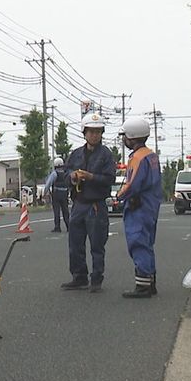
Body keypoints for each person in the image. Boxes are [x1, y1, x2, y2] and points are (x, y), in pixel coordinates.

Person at [61, 115, 116, 293]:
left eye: (98, 132)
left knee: (97, 243)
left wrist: (91, 177)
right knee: (75, 242)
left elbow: (110, 178)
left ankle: (96, 279)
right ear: (84, 133)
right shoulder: (76, 153)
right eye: (91, 131)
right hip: (78, 203)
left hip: (96, 204)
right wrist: (73, 176)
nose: (94, 135)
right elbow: (66, 173)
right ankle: (79, 277)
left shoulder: (106, 154)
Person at [113, 118, 162, 298]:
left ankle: (143, 286)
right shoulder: (151, 155)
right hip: (151, 206)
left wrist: (118, 196)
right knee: (147, 243)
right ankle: (150, 282)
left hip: (138, 207)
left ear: (132, 136)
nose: (124, 139)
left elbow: (133, 184)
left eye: (125, 136)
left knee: (138, 242)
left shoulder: (137, 158)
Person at [43, 157, 71, 232]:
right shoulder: (66, 173)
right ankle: (69, 226)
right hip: (65, 194)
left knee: (57, 211)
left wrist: (44, 193)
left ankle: (57, 227)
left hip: (56, 194)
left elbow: (48, 184)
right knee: (65, 211)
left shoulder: (54, 173)